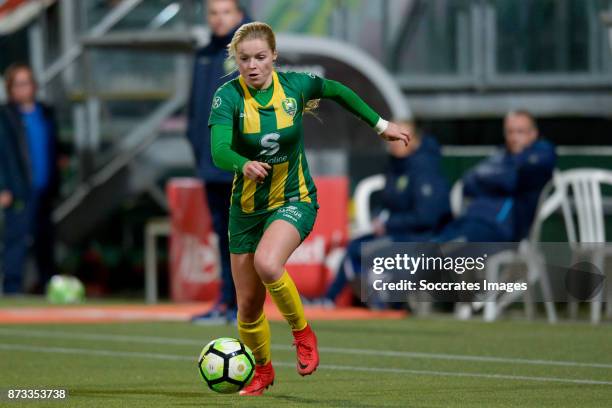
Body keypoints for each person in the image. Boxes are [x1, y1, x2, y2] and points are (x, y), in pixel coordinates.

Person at [208, 22, 411, 396]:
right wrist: (242, 164)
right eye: (244, 59)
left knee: (268, 264)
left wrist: (381, 125)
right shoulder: (227, 97)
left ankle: (303, 333)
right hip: (246, 210)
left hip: (294, 199)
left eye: (260, 57)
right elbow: (219, 150)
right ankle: (263, 371)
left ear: (274, 57)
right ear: (235, 60)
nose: (252, 66)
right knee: (248, 308)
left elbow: (336, 90)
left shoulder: (295, 87)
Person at [324, 122, 451, 305]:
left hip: (421, 237)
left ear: (412, 140)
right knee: (355, 247)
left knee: (370, 251)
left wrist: (389, 224)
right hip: (397, 232)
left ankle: (385, 304)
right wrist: (381, 219)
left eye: (397, 137)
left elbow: (427, 218)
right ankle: (329, 300)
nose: (391, 142)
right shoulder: (395, 167)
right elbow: (390, 204)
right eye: (390, 137)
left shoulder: (424, 169)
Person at [187, 0, 249, 324]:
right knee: (225, 238)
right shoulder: (204, 54)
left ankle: (243, 305)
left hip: (241, 165)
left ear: (239, 15)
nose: (219, 19)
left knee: (244, 238)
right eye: (213, 13)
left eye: (226, 12)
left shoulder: (250, 51)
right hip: (211, 166)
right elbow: (195, 111)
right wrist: (199, 149)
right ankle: (227, 302)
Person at [434, 110, 556, 243]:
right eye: (510, 132)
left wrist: (493, 177)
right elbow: (469, 181)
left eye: (520, 131)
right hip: (469, 219)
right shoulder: (501, 155)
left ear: (533, 134)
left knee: (446, 252)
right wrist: (503, 175)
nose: (514, 137)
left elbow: (512, 179)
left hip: (500, 228)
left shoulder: (542, 153)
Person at [0, 63, 60, 294]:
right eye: (19, 84)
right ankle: (12, 288)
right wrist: (3, 186)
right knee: (16, 241)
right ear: (11, 88)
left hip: (44, 188)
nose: (25, 89)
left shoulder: (45, 112)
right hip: (18, 188)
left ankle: (48, 287)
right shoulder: (6, 116)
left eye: (28, 82)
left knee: (45, 240)